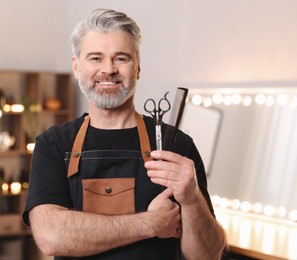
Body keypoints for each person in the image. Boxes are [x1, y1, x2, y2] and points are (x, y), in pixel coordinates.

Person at [23, 8, 226, 260]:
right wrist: (150, 223)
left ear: (138, 67)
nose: (108, 70)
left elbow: (207, 256)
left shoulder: (177, 145)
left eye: (121, 58)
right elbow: (51, 236)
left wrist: (192, 200)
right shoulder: (53, 144)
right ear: (77, 67)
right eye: (95, 58)